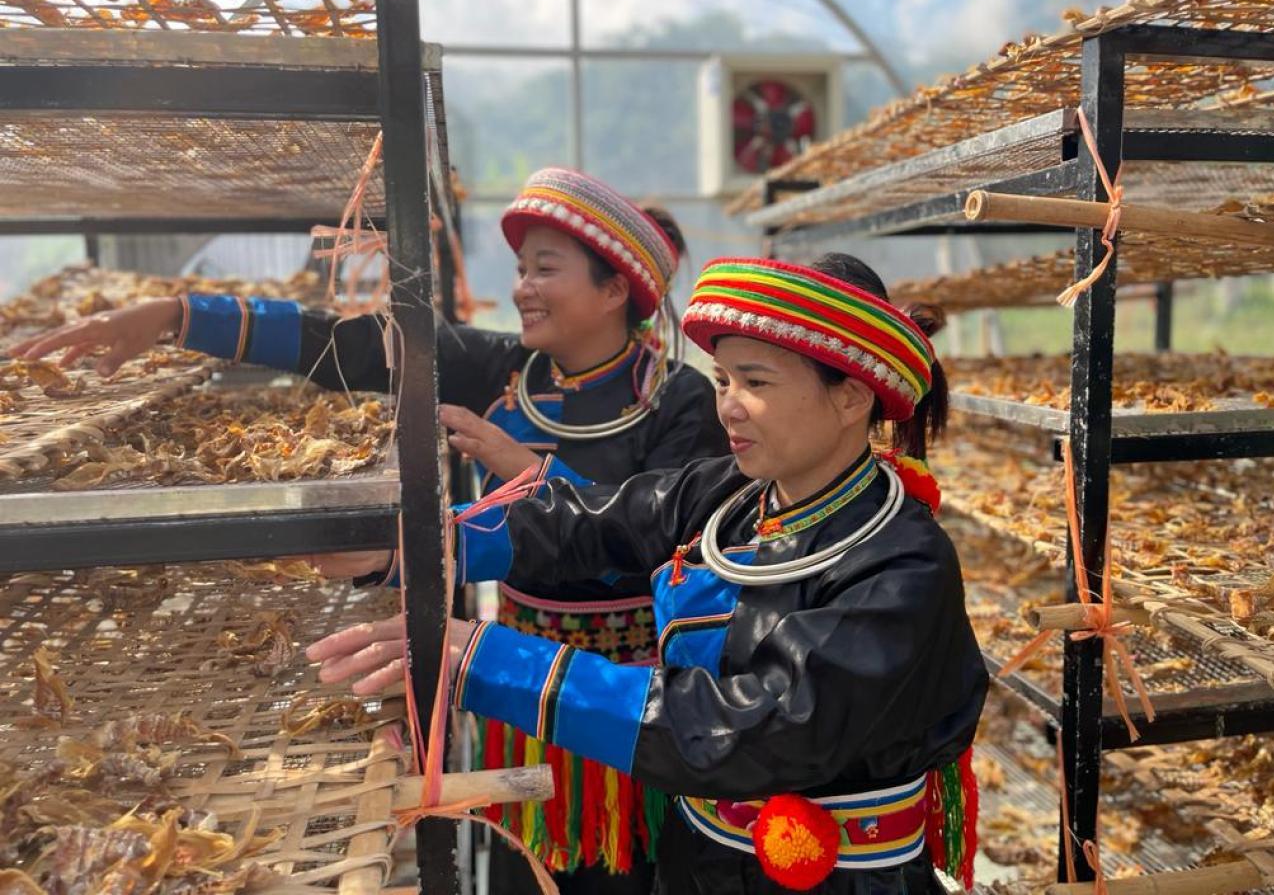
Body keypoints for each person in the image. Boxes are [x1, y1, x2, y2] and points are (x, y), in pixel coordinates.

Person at [9, 167, 729, 894]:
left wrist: (527, 472)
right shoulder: (504, 372)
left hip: (621, 702)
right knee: (523, 875)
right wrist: (175, 316)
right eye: (518, 269)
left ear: (615, 290)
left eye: (546, 269)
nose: (522, 288)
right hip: (510, 687)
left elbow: (664, 557)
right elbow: (346, 344)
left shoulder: (680, 399)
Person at [310, 253, 989, 894]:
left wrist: (499, 663)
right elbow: (598, 519)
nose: (728, 404)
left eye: (756, 382)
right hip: (699, 860)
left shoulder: (903, 563)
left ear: (852, 397)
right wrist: (417, 546)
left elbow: (763, 728)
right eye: (723, 380)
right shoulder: (735, 494)